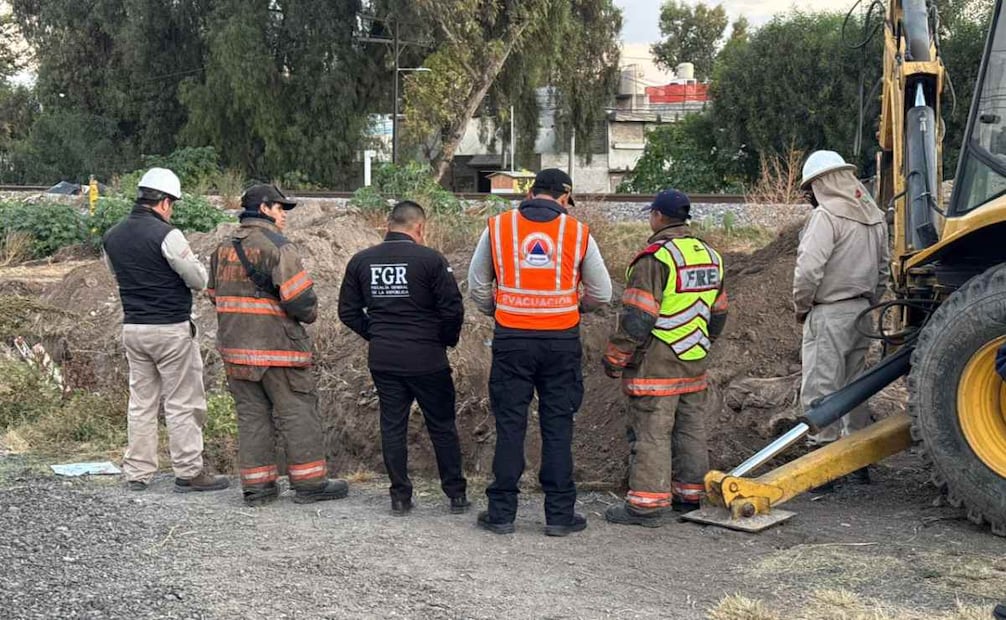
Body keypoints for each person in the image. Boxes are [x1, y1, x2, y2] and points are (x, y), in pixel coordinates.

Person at [468, 168, 613, 537]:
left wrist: (499, 310)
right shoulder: (578, 233)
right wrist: (572, 308)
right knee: (558, 425)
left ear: (532, 192)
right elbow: (602, 293)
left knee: (510, 424)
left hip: (511, 340)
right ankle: (559, 516)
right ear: (565, 198)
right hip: (560, 342)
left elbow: (478, 285)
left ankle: (501, 513)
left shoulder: (498, 227)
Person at [208, 184, 348, 506]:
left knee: (252, 417)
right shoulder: (279, 247)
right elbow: (300, 300)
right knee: (297, 412)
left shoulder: (222, 249)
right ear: (265, 208)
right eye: (281, 208)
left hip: (236, 351)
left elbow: (214, 295)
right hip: (278, 350)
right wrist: (310, 312)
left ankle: (258, 489)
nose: (284, 215)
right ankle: (310, 483)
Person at [601, 189, 728, 527]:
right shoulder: (709, 255)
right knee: (691, 429)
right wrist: (703, 341)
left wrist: (617, 356)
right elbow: (719, 311)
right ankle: (691, 495)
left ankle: (646, 505)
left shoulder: (655, 258)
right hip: (695, 358)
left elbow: (638, 317)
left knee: (653, 431)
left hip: (657, 360)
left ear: (657, 216)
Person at [102, 168, 229, 494]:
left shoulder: (111, 236)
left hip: (133, 328)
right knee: (182, 401)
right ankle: (188, 470)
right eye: (172, 203)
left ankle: (138, 472)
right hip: (170, 328)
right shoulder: (166, 234)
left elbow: (116, 274)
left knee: (141, 402)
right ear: (163, 202)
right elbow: (198, 279)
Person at [338, 201, 468, 516]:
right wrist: (443, 340)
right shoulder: (431, 260)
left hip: (384, 359)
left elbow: (347, 312)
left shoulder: (361, 261)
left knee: (392, 425)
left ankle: (400, 497)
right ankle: (456, 495)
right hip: (427, 358)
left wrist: (377, 334)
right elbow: (453, 309)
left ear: (389, 224)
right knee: (441, 425)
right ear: (419, 227)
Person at [794, 150, 889, 489]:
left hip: (830, 311)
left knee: (822, 386)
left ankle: (822, 463)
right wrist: (871, 302)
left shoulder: (826, 217)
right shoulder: (874, 216)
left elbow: (808, 270)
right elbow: (883, 270)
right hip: (863, 312)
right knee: (855, 388)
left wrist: (802, 306)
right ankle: (858, 460)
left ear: (820, 184)